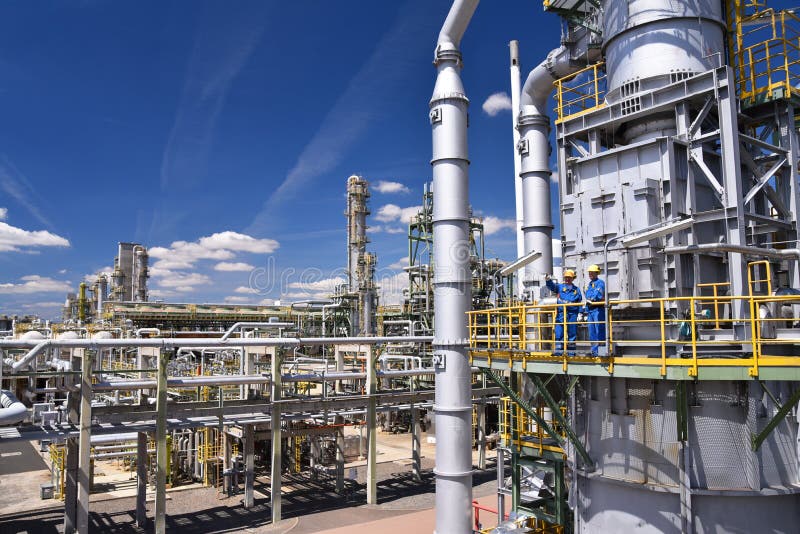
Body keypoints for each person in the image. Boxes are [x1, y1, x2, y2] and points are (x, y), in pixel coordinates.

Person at [546, 269, 583, 356]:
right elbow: (552, 286)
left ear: (572, 278)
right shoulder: (560, 287)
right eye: (566, 277)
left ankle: (571, 353)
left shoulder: (576, 290)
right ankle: (559, 352)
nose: (567, 279)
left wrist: (580, 313)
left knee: (572, 334)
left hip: (572, 314)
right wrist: (548, 280)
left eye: (569, 277)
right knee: (559, 333)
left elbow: (579, 302)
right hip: (561, 314)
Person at [585, 264, 606, 356]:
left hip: (598, 309)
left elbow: (598, 294)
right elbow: (587, 296)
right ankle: (594, 352)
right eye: (589, 273)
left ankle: (601, 352)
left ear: (596, 273)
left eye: (592, 272)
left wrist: (592, 299)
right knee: (592, 331)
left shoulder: (600, 283)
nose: (590, 274)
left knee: (599, 330)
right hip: (590, 310)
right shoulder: (590, 284)